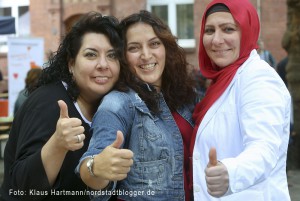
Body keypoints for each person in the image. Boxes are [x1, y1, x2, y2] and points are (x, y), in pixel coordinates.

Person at [0, 12, 123, 201]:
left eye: (112, 55)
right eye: (91, 54)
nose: (103, 64)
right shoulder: (48, 103)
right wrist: (57, 144)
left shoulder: (111, 105)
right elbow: (22, 190)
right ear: (71, 63)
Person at [76, 10, 197, 201]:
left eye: (154, 44)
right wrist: (96, 167)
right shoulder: (118, 102)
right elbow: (94, 163)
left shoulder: (187, 97)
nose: (146, 55)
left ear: (166, 48)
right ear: (123, 57)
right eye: (134, 48)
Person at [191, 0, 291, 200]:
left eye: (228, 29)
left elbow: (264, 148)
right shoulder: (224, 79)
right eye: (209, 30)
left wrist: (231, 172)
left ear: (247, 31)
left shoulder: (259, 78)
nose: (216, 40)